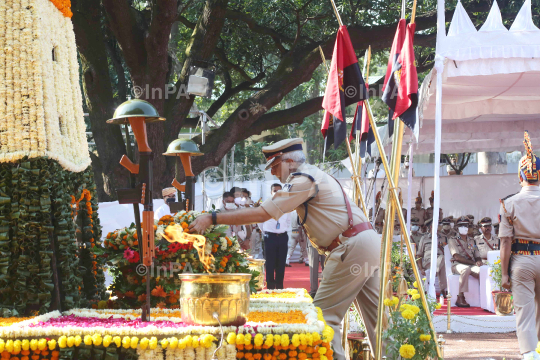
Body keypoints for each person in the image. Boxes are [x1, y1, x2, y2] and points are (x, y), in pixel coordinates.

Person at [189, 138, 381, 359]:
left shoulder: (302, 179)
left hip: (351, 245)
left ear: (289, 161)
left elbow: (264, 213)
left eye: (275, 166)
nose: (273, 174)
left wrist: (212, 218)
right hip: (365, 242)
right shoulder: (316, 174)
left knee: (322, 318)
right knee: (377, 321)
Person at [499, 131, 540, 360]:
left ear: (521, 175)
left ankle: (529, 354)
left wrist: (504, 274)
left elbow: (505, 242)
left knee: (524, 310)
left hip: (522, 259)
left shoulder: (509, 204)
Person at [257, 183, 291, 289]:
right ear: (271, 192)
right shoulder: (265, 205)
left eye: (279, 191)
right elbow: (260, 221)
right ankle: (270, 286)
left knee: (281, 263)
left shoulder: (286, 205)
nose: (277, 193)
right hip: (270, 237)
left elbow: (288, 221)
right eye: (275, 190)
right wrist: (267, 232)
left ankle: (280, 286)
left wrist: (281, 230)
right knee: (270, 263)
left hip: (283, 236)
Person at [448, 216, 483, 308]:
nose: (464, 228)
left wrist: (478, 261)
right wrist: (473, 263)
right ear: (457, 227)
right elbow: (457, 256)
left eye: (466, 226)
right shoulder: (452, 240)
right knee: (465, 269)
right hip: (457, 265)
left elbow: (477, 254)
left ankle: (483, 295)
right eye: (461, 226)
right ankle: (460, 297)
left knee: (483, 271)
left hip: (471, 265)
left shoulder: (472, 240)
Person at [416, 218, 448, 297]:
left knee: (442, 258)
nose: (440, 226)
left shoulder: (444, 237)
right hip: (428, 262)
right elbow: (419, 255)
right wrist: (421, 268)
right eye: (438, 225)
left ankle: (435, 271)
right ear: (431, 227)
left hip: (441, 260)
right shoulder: (424, 238)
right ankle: (442, 290)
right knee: (442, 260)